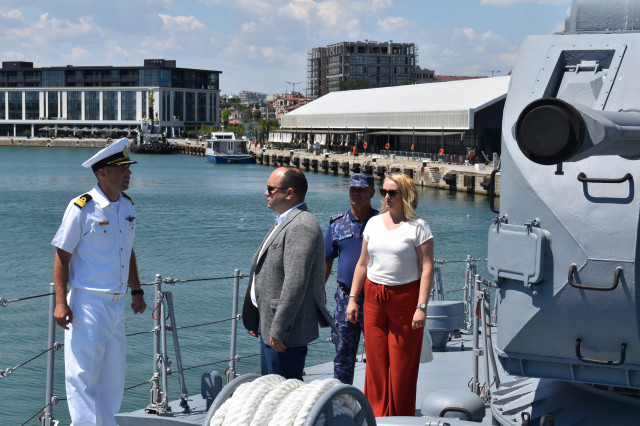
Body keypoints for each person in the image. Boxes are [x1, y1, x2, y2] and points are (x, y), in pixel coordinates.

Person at [52, 137, 147, 426]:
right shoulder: (82, 207)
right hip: (88, 304)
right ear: (102, 173)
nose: (129, 173)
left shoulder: (127, 206)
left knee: (113, 377)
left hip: (117, 306)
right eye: (122, 169)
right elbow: (62, 255)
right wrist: (60, 303)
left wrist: (136, 290)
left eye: (128, 168)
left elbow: (126, 250)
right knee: (82, 377)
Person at [346, 172, 434, 417]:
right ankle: (376, 416)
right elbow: (363, 263)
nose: (386, 196)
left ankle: (399, 417)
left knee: (401, 365)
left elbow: (427, 268)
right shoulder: (373, 223)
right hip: (373, 298)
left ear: (405, 194)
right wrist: (353, 298)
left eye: (392, 192)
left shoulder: (419, 227)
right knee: (375, 363)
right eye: (384, 192)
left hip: (405, 299)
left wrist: (421, 307)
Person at [242, 166, 334, 380]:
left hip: (284, 333)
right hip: (270, 323)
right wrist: (254, 315)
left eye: (270, 189)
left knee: (283, 391)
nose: (266, 193)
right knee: (271, 388)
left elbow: (295, 282)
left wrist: (280, 328)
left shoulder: (301, 225)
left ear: (289, 193)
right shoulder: (285, 221)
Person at [324, 173, 377, 384]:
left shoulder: (381, 223)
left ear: (372, 192)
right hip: (345, 299)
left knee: (377, 355)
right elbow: (327, 259)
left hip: (375, 297)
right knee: (343, 355)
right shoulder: (337, 224)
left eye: (361, 190)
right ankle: (343, 397)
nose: (356, 193)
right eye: (352, 189)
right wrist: (320, 290)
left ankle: (375, 399)